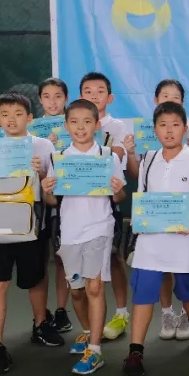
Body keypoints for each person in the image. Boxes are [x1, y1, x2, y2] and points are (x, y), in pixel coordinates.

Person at [122, 102, 189, 376]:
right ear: (154, 130)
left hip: (186, 241)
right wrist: (139, 219)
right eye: (163, 125)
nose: (169, 130)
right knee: (143, 292)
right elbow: (142, 197)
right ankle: (135, 352)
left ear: (185, 128)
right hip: (151, 242)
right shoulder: (148, 160)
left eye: (175, 125)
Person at [0, 92, 63, 374]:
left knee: (36, 279)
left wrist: (41, 174)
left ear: (30, 118)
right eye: (5, 114)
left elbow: (53, 192)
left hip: (32, 227)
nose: (12, 119)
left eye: (18, 114)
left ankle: (40, 324)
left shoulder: (43, 145)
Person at [40, 99, 126, 375]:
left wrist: (116, 189)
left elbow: (119, 197)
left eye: (87, 121)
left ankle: (96, 351)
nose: (80, 127)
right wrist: (46, 190)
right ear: (66, 126)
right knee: (76, 291)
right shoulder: (59, 158)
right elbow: (52, 201)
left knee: (94, 288)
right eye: (74, 122)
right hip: (70, 232)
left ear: (97, 125)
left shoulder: (108, 156)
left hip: (100, 228)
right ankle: (88, 332)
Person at [77, 73, 135, 341]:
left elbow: (119, 156)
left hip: (108, 200)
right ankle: (90, 322)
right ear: (80, 97)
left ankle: (121, 312)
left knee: (113, 256)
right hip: (76, 202)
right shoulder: (74, 123)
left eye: (100, 91)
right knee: (79, 262)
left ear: (109, 98)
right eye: (88, 91)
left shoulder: (118, 126)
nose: (94, 96)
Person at [149, 79, 189, 342]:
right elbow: (141, 183)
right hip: (157, 223)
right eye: (165, 96)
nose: (169, 130)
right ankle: (167, 313)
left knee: (186, 274)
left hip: (187, 225)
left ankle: (186, 316)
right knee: (162, 271)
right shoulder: (149, 149)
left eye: (176, 97)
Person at [39, 77, 74, 335]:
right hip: (38, 203)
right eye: (47, 97)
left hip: (68, 201)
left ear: (66, 99)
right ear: (40, 100)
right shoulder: (31, 131)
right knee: (40, 260)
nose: (52, 102)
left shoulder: (75, 126)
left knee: (62, 258)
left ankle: (62, 309)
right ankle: (41, 315)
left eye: (58, 96)